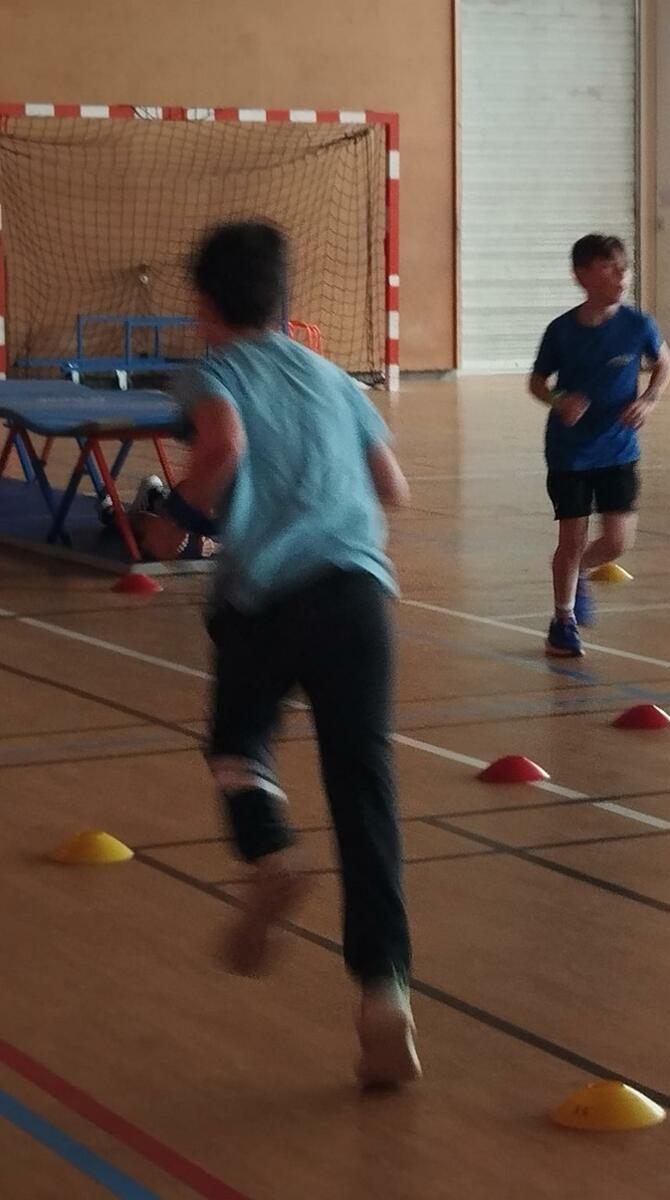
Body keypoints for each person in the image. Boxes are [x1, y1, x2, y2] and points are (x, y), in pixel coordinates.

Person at [138, 220, 420, 1088]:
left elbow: (223, 444)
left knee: (237, 750)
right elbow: (394, 488)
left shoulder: (213, 371)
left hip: (264, 601)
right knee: (363, 790)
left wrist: (174, 519)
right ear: (283, 300)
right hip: (358, 598)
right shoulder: (334, 377)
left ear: (203, 305)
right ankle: (383, 991)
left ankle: (269, 854)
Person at [530, 234, 670, 657]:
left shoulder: (638, 325)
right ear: (582, 275)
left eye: (625, 268)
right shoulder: (561, 331)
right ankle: (563, 622)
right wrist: (559, 399)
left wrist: (649, 399)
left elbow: (664, 363)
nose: (622, 276)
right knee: (572, 538)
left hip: (619, 448)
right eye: (610, 268)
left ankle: (578, 574)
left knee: (618, 542)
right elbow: (537, 382)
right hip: (570, 451)